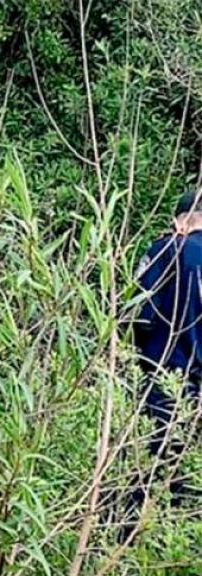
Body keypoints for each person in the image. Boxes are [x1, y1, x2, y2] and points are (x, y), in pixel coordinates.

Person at [130, 189, 202, 509]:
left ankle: (133, 541)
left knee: (150, 469)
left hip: (164, 378)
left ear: (178, 219)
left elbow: (137, 316)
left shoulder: (162, 252)